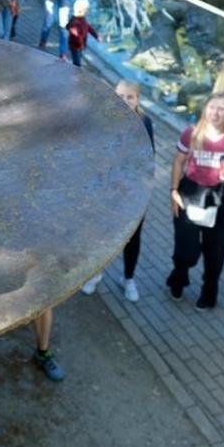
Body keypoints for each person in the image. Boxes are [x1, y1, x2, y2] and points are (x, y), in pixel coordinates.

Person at [168, 93, 224, 309]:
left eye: (222, 108)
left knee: (215, 249)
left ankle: (209, 291)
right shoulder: (192, 133)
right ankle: (179, 276)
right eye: (213, 107)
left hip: (220, 195)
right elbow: (178, 162)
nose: (216, 112)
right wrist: (174, 190)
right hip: (191, 191)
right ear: (205, 108)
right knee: (185, 249)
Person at [82, 80, 153, 302]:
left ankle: (128, 278)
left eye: (129, 97)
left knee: (132, 238)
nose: (123, 101)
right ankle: (96, 273)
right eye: (120, 96)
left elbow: (149, 158)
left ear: (137, 100)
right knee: (101, 235)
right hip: (105, 191)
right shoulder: (101, 120)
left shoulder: (145, 122)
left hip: (133, 192)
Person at [64, 0, 99, 66]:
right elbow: (74, 33)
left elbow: (88, 27)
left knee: (77, 61)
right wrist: (81, 43)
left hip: (80, 46)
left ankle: (76, 71)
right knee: (77, 64)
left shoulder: (82, 18)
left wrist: (96, 36)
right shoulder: (75, 21)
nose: (87, 11)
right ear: (81, 10)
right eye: (86, 9)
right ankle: (76, 74)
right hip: (76, 46)